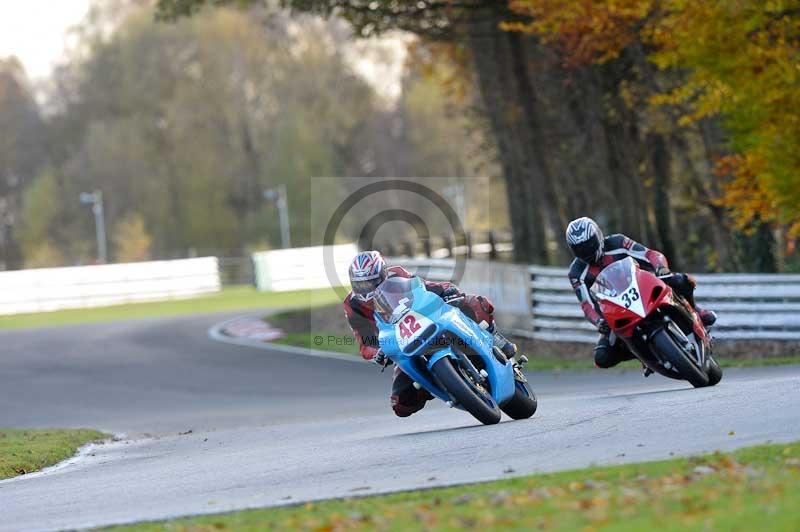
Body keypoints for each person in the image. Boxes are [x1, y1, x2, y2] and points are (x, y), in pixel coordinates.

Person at [343, 250, 519, 417]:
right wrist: (377, 352)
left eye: (370, 282)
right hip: (402, 341)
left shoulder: (397, 274)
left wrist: (448, 292)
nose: (365, 289)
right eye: (360, 284)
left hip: (428, 318)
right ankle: (438, 382)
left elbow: (425, 287)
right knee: (401, 404)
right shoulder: (353, 305)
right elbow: (364, 341)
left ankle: (495, 337)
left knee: (473, 303)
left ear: (382, 274)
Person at [565, 217, 717, 370]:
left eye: (589, 244)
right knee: (602, 358)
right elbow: (586, 305)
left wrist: (661, 268)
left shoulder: (618, 242)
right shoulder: (576, 273)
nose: (586, 251)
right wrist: (598, 321)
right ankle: (642, 352)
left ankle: (696, 310)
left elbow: (650, 255)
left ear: (598, 236)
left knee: (679, 280)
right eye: (580, 248)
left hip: (642, 286)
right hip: (613, 311)